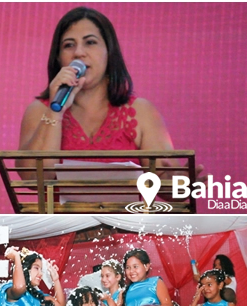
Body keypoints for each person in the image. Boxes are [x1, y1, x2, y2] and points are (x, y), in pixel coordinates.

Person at [18, 7, 200, 181]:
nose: (78, 53)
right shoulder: (39, 111)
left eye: (90, 42)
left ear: (109, 52)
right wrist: (55, 111)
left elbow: (169, 184)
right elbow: (33, 179)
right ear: (58, 58)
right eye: (68, 45)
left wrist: (181, 185)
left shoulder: (141, 111)